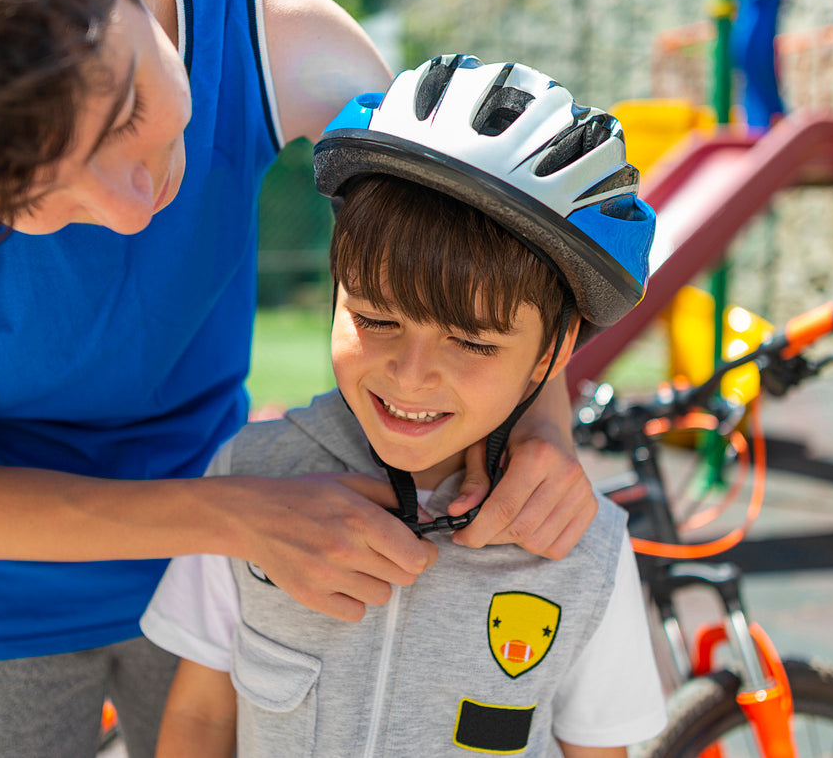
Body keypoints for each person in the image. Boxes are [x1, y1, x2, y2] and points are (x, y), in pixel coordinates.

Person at [0, 0, 603, 756]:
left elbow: (480, 241)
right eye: (21, 203)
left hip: (229, 564)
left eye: (126, 111)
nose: (132, 208)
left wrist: (538, 431)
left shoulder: (281, 40)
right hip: (1, 584)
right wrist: (239, 515)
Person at [141, 54, 666, 757]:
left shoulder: (586, 550)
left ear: (551, 352)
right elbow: (204, 716)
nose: (411, 376)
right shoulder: (252, 480)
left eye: (473, 342)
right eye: (377, 319)